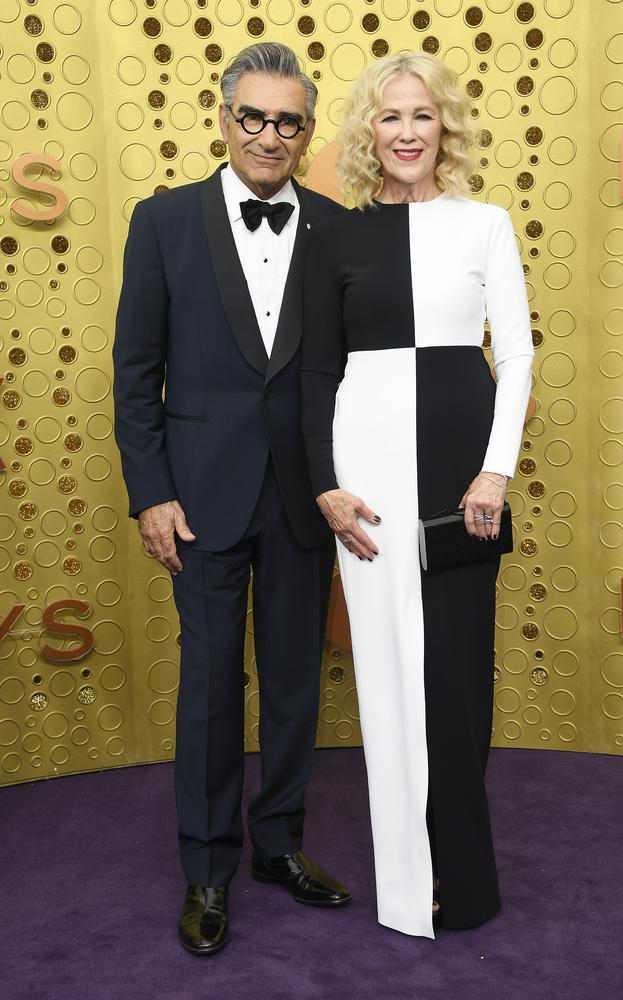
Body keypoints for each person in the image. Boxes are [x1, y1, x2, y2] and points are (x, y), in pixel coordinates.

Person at [113, 42, 350, 957]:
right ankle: (207, 868)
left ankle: (278, 847)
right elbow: (137, 375)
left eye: (288, 121)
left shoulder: (335, 226)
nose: (269, 135)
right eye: (252, 117)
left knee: (294, 686)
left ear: (305, 130)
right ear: (224, 118)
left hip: (302, 498)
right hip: (199, 502)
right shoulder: (162, 220)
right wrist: (152, 493)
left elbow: (349, 371)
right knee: (211, 690)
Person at [301, 52, 534, 939]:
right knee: (388, 681)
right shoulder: (336, 235)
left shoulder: (484, 224)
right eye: (391, 117)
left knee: (458, 676)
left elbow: (512, 355)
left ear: (446, 129)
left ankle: (464, 879)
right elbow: (317, 369)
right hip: (363, 477)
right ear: (370, 131)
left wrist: (494, 469)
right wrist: (325, 484)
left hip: (459, 467)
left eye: (422, 116)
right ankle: (406, 882)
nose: (406, 132)